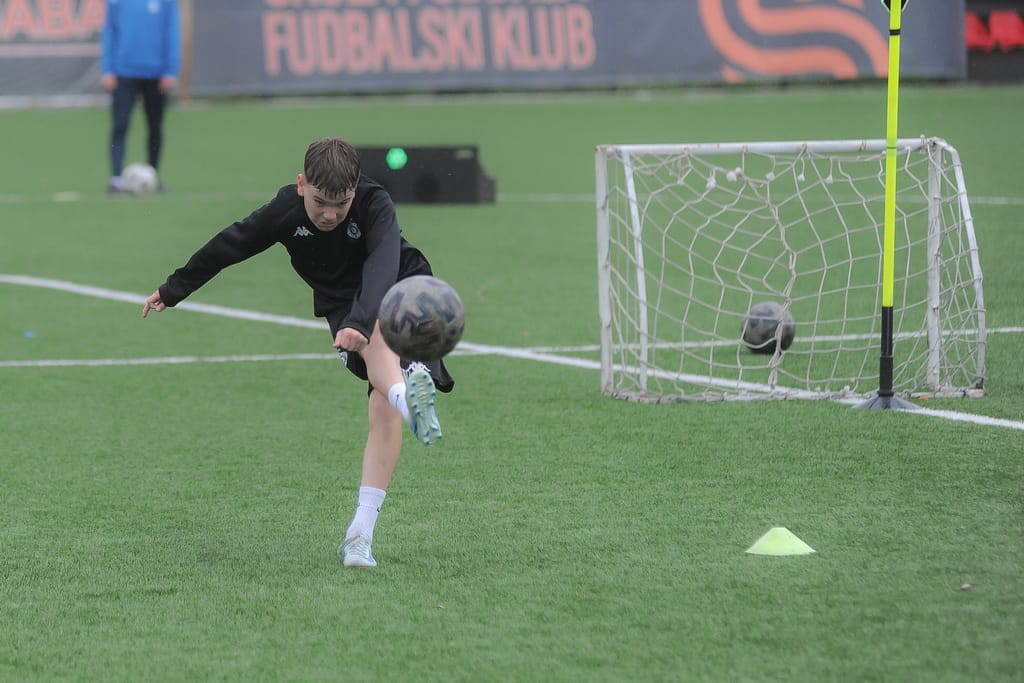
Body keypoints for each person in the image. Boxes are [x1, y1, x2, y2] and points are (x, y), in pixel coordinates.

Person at [141, 137, 455, 569]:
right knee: (381, 406)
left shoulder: (375, 202)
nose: (330, 214)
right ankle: (360, 534)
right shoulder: (285, 210)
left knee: (379, 340)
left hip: (404, 289)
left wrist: (360, 322)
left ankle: (405, 404)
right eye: (320, 202)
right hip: (345, 306)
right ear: (301, 184)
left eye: (341, 204)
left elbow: (382, 264)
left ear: (355, 189)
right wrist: (174, 288)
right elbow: (231, 243)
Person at [101, 0, 181, 194]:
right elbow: (109, 32)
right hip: (123, 72)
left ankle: (152, 175)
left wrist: (170, 70)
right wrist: (107, 68)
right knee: (120, 126)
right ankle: (116, 180)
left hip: (156, 74)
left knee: (155, 127)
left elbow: (172, 32)